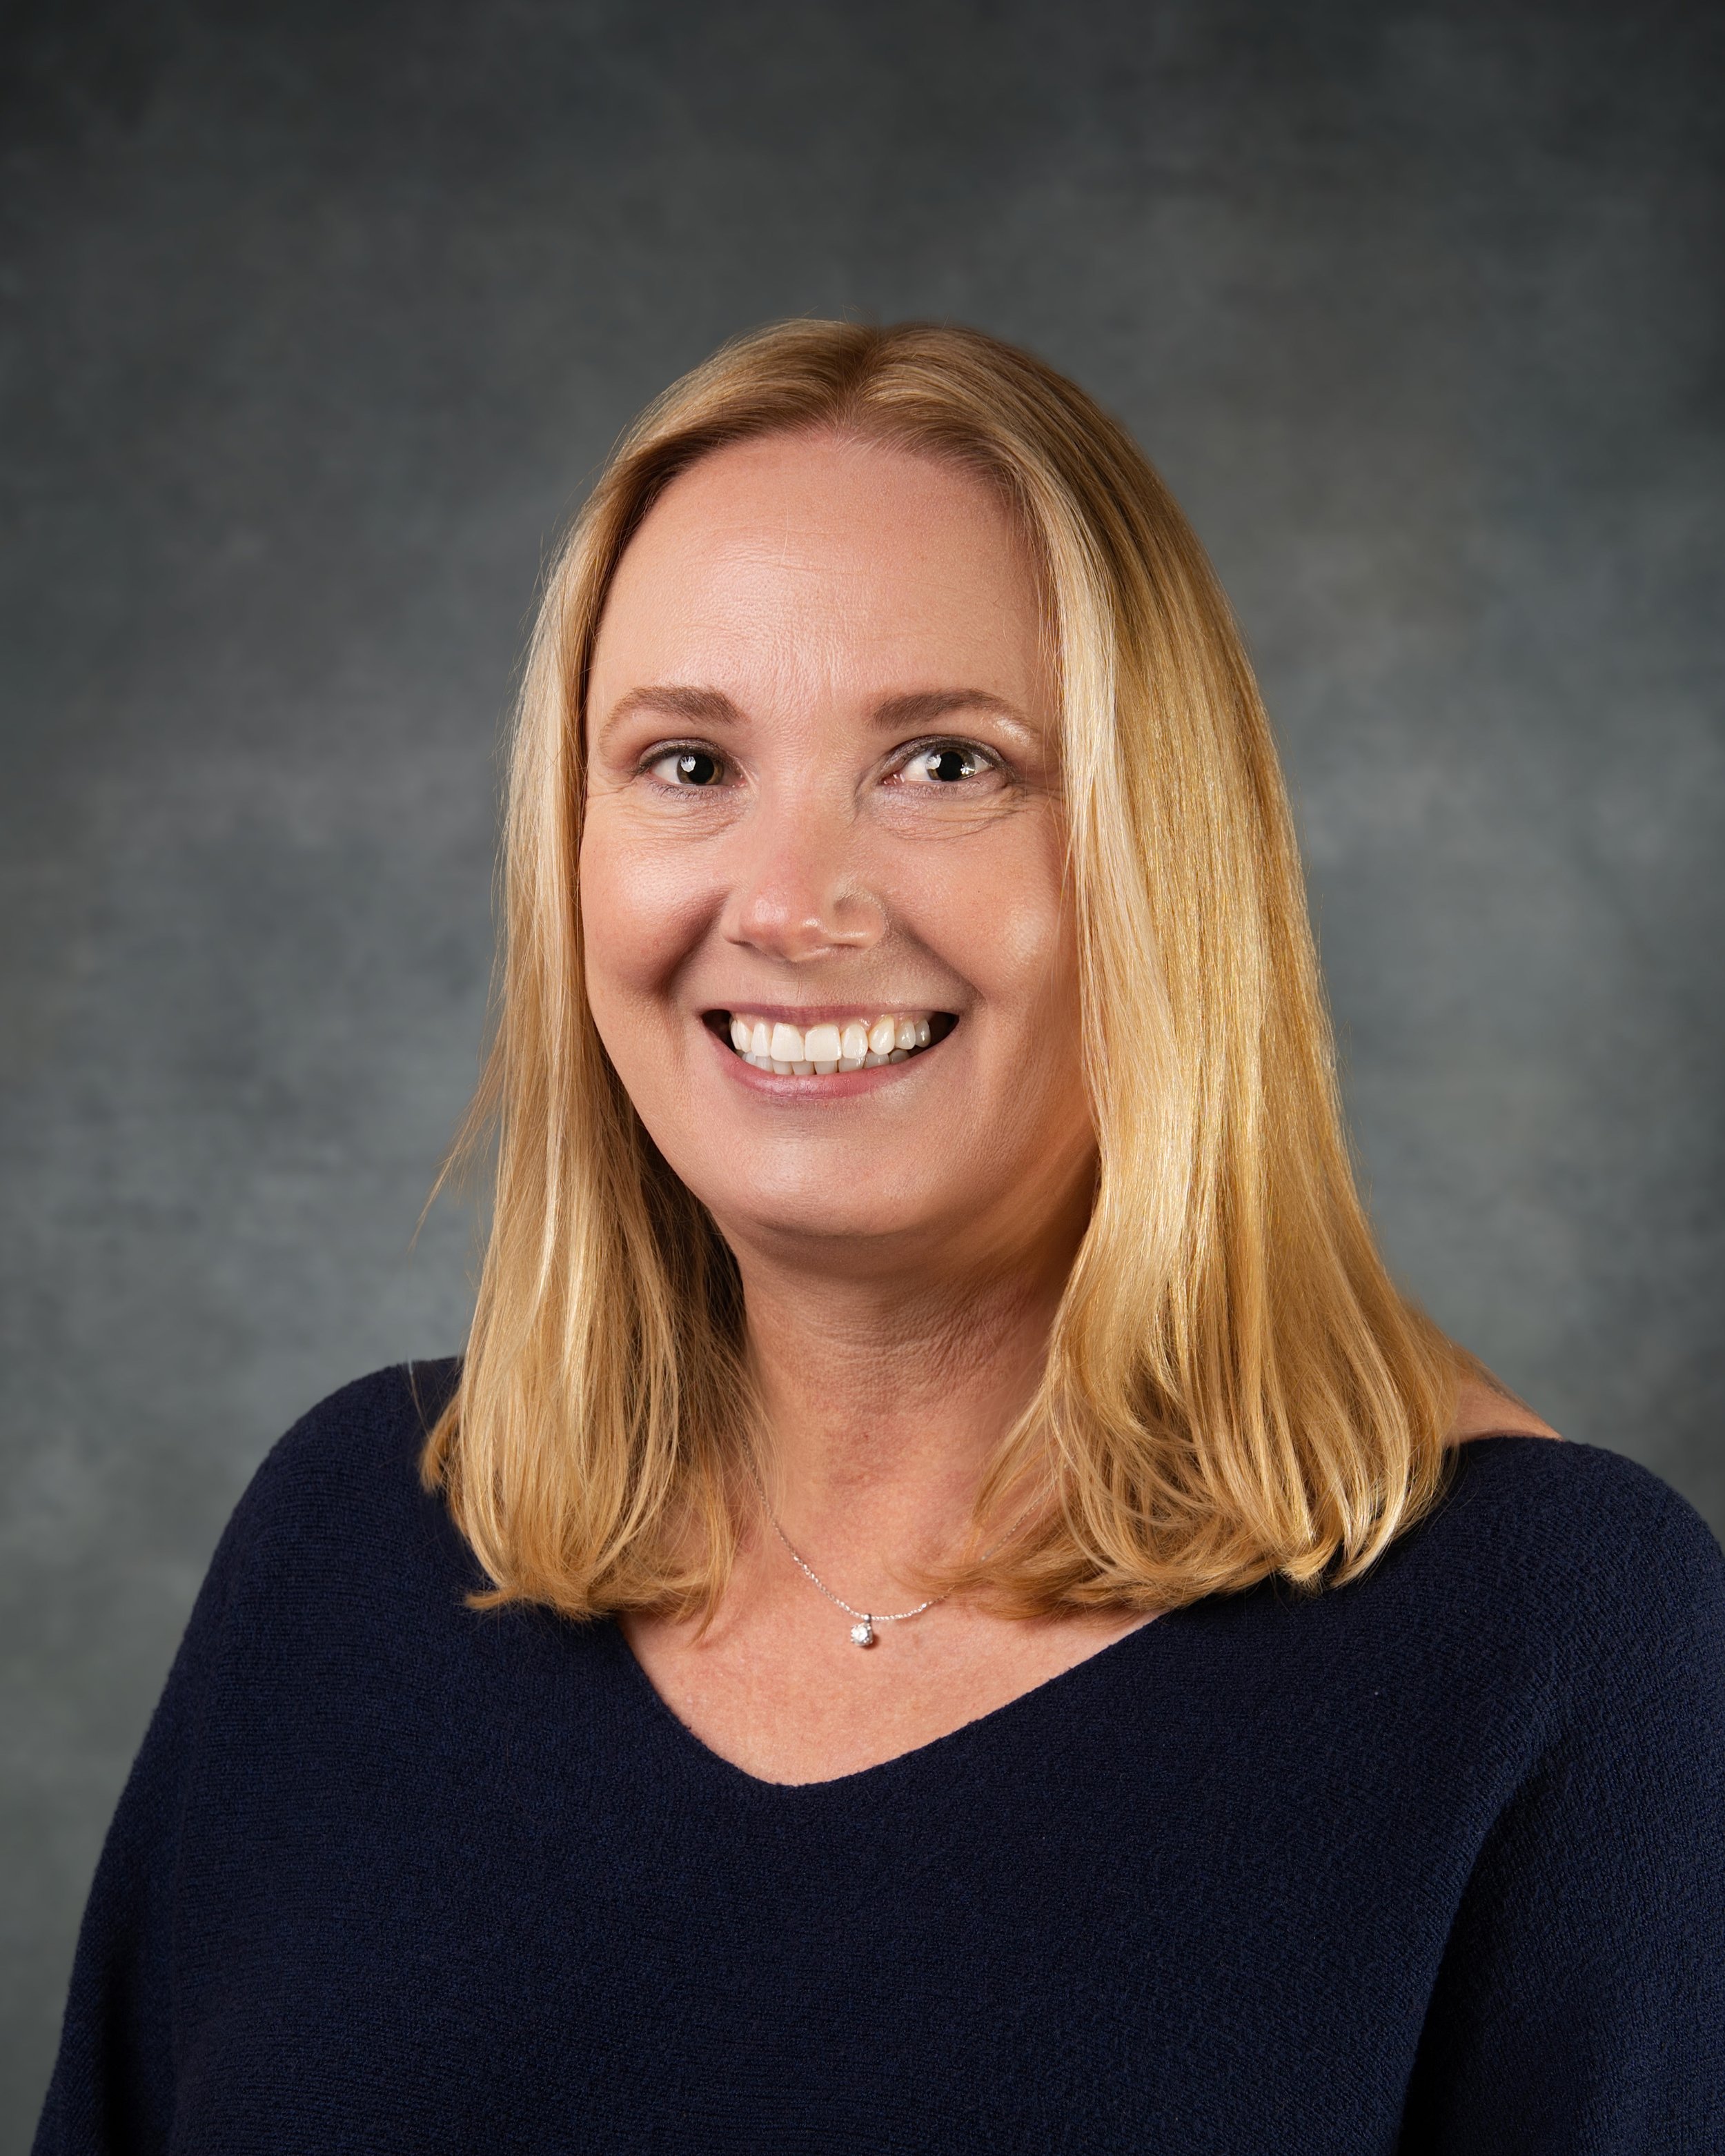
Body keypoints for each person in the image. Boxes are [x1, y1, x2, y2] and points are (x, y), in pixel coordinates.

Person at [35, 321, 1724, 2154]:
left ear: (1163, 855)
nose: (786, 905)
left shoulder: (1552, 1639)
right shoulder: (355, 1538)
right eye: (685, 765)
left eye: (943, 765)